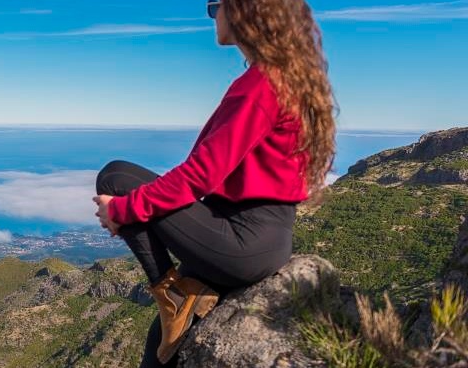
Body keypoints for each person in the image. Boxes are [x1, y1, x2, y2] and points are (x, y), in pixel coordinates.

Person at [92, 0, 337, 366]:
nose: (212, 15)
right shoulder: (284, 78)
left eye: (213, 6)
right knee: (162, 348)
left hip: (242, 238)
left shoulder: (262, 85)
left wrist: (123, 210)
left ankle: (170, 293)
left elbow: (199, 176)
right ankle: (178, 298)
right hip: (258, 236)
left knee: (116, 178)